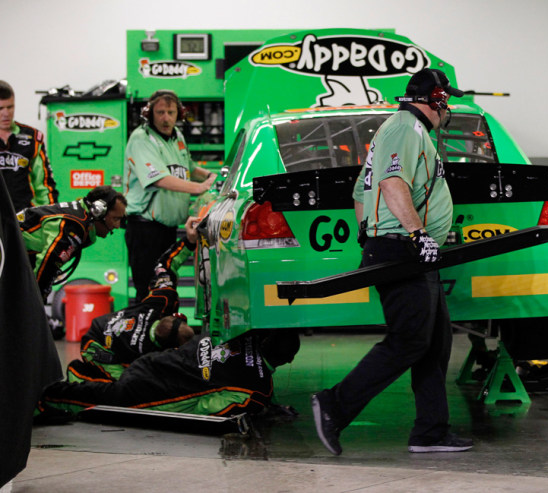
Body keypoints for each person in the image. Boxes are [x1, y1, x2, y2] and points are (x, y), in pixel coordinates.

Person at [311, 68, 472, 455]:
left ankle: (431, 432)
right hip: (405, 247)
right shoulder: (406, 129)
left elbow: (359, 193)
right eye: (446, 99)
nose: (448, 106)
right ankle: (335, 406)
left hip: (406, 246)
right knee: (409, 340)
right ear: (436, 99)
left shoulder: (399, 130)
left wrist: (369, 230)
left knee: (434, 343)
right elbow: (391, 184)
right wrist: (415, 235)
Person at [36, 328, 300, 419]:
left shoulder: (242, 335)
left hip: (152, 362)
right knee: (107, 401)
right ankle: (44, 399)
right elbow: (212, 409)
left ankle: (80, 373)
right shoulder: (259, 389)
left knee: (109, 388)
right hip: (156, 389)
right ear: (286, 362)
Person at [67, 216, 200, 383]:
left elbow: (164, 265)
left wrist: (189, 241)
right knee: (129, 385)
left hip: (109, 327)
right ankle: (77, 377)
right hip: (95, 344)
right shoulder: (146, 355)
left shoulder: (162, 300)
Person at [124, 89, 216, 303]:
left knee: (165, 286)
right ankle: (145, 334)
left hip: (167, 229)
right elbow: (158, 178)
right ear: (150, 114)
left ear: (179, 114)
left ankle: (161, 334)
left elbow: (188, 166)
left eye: (171, 112)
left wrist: (210, 175)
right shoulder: (141, 139)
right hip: (145, 228)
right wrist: (198, 187)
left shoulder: (178, 137)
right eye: (160, 112)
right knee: (148, 290)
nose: (166, 118)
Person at [18, 185, 126, 298]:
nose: (117, 226)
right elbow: (49, 261)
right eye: (115, 219)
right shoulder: (74, 225)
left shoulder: (79, 217)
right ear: (98, 212)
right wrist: (36, 299)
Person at [0, 80, 59, 212]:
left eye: (10, 107)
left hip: (24, 218)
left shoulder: (33, 137)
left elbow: (44, 184)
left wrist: (50, 216)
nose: (6, 113)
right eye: (1, 108)